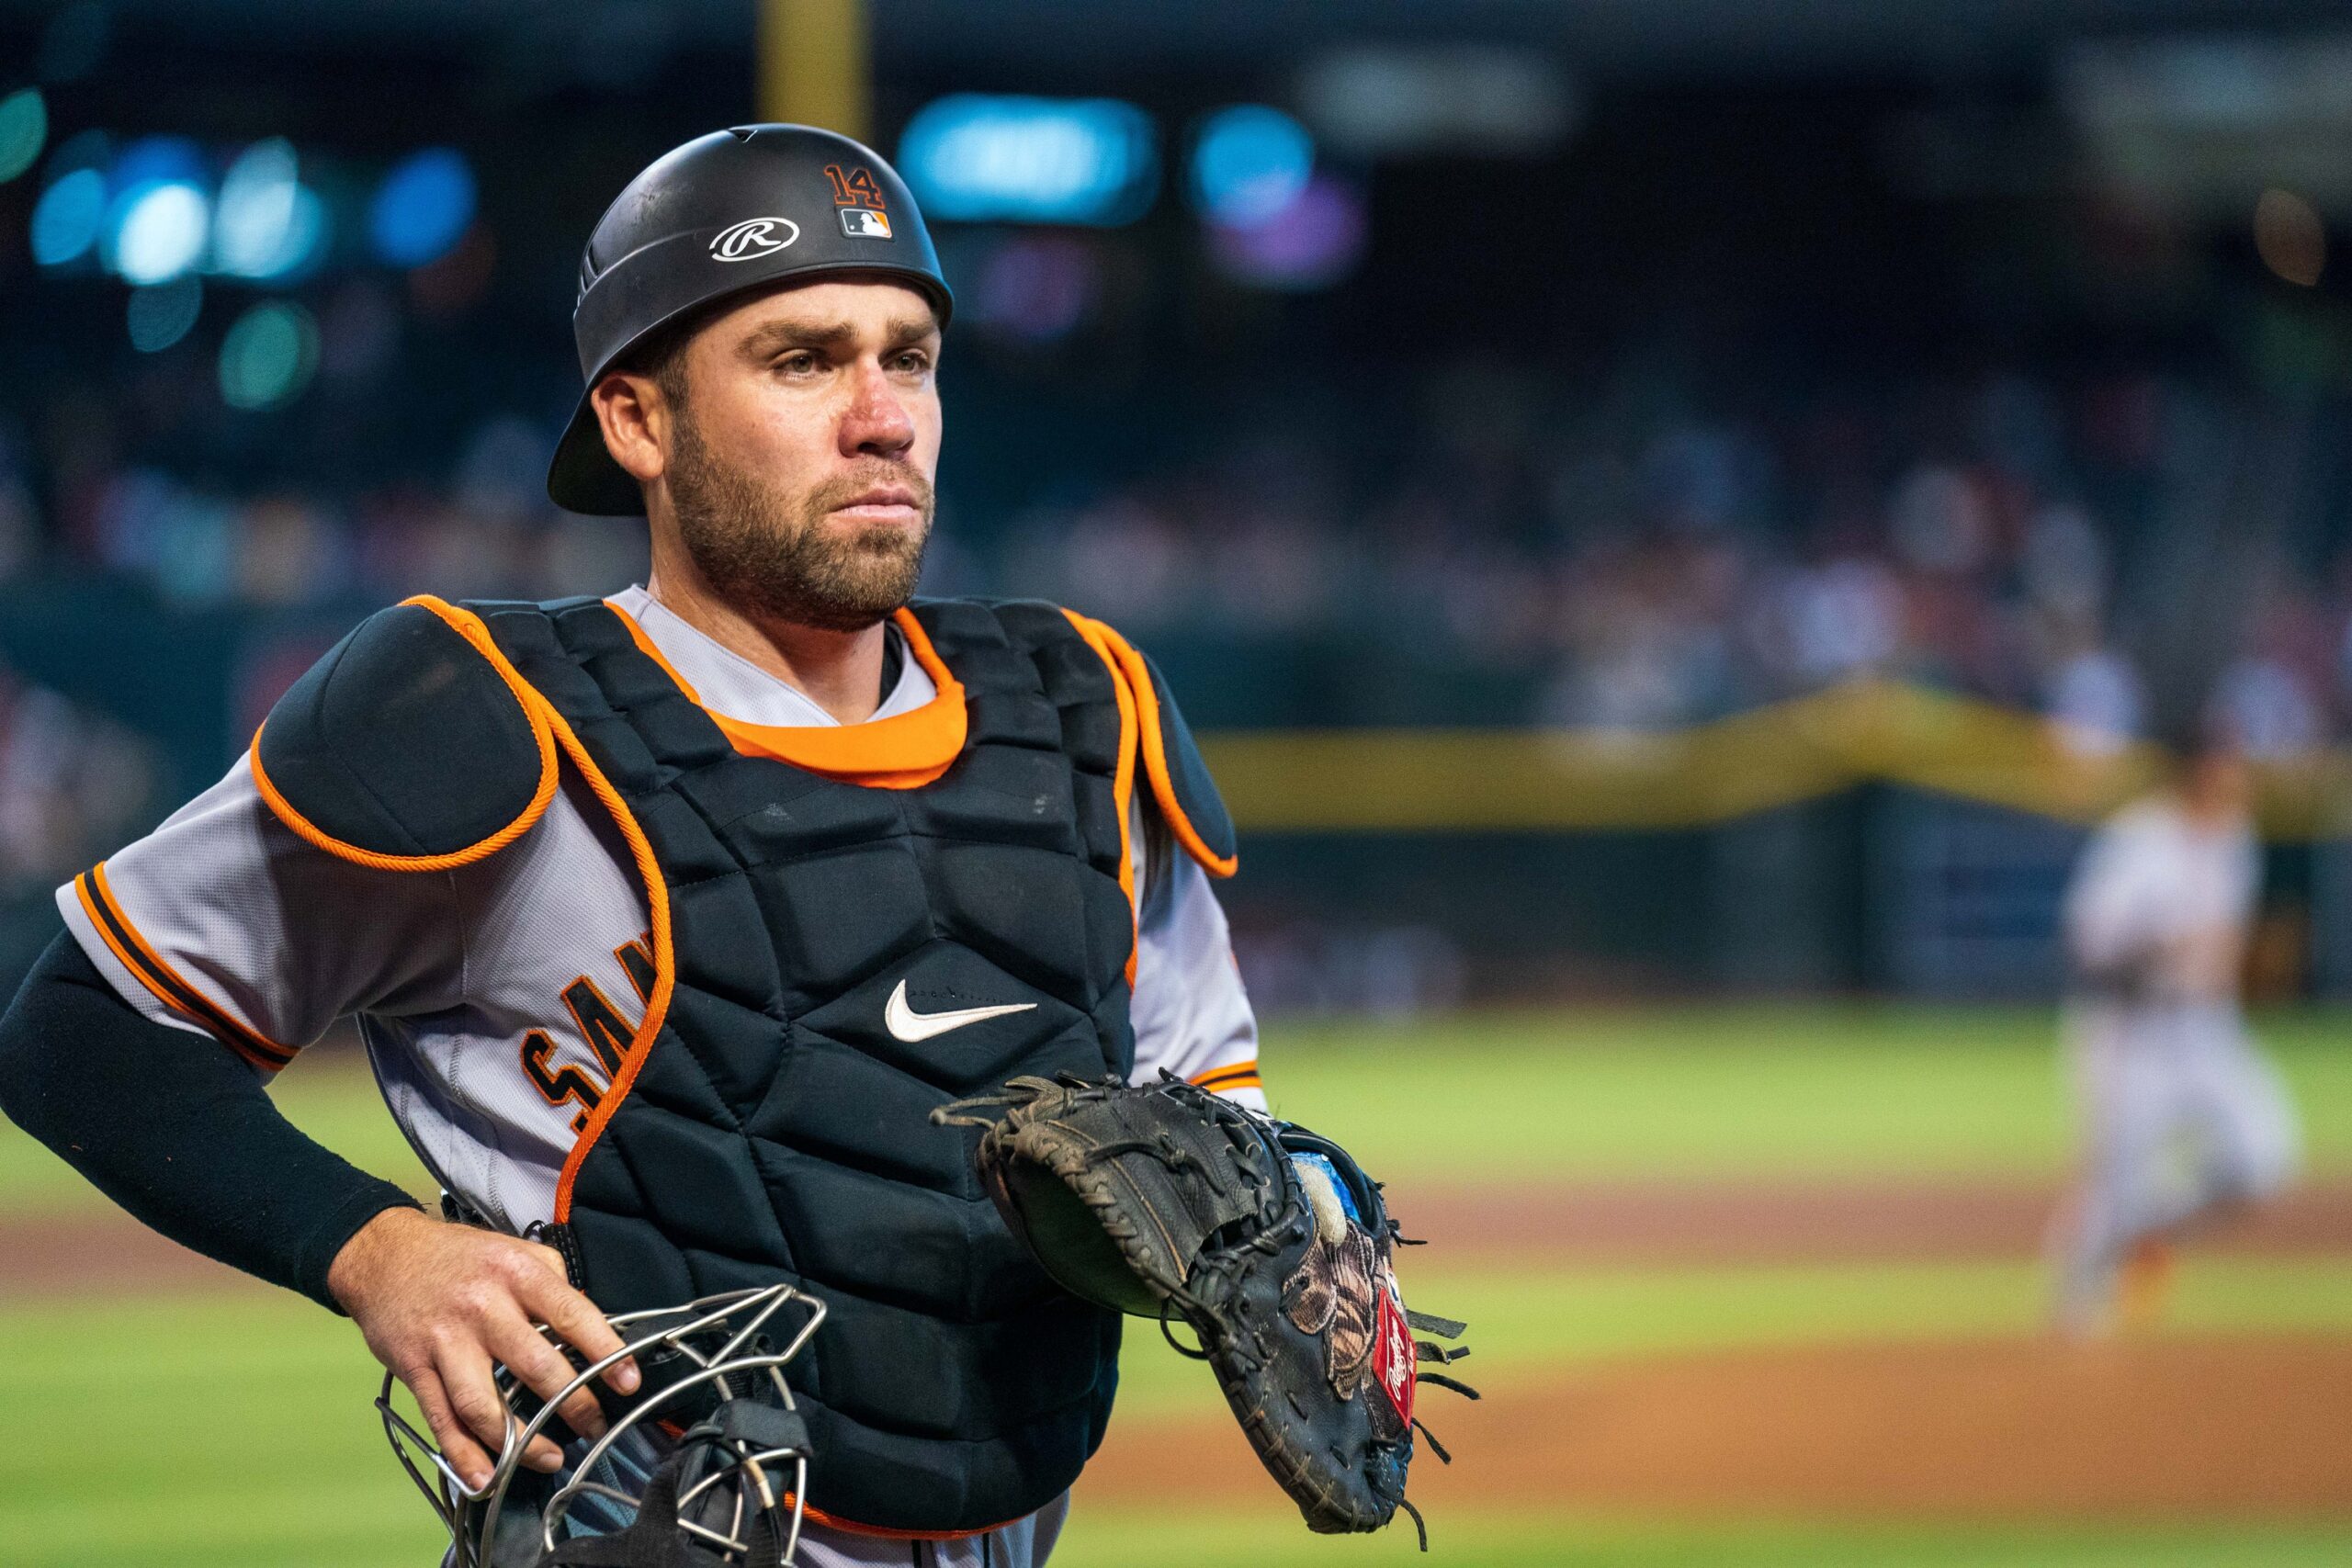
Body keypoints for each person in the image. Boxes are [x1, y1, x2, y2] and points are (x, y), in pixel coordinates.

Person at [0, 125, 1263, 1567]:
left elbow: (1222, 1108)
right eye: (803, 360)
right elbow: (79, 1026)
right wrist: (371, 1246)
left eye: (907, 355)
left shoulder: (1083, 717)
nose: (882, 415)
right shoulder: (478, 716)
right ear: (636, 422)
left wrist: (1313, 1227)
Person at [2046, 723, 2301, 1336]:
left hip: (2209, 1031)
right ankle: (2069, 1329)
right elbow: (2088, 947)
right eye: (2229, 764)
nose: (2240, 777)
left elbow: (2224, 948)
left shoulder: (2237, 839)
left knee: (2265, 1158)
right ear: (2197, 770)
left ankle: (2148, 1233)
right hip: (2133, 1035)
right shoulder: (2140, 841)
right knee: (2113, 1188)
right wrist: (2163, 948)